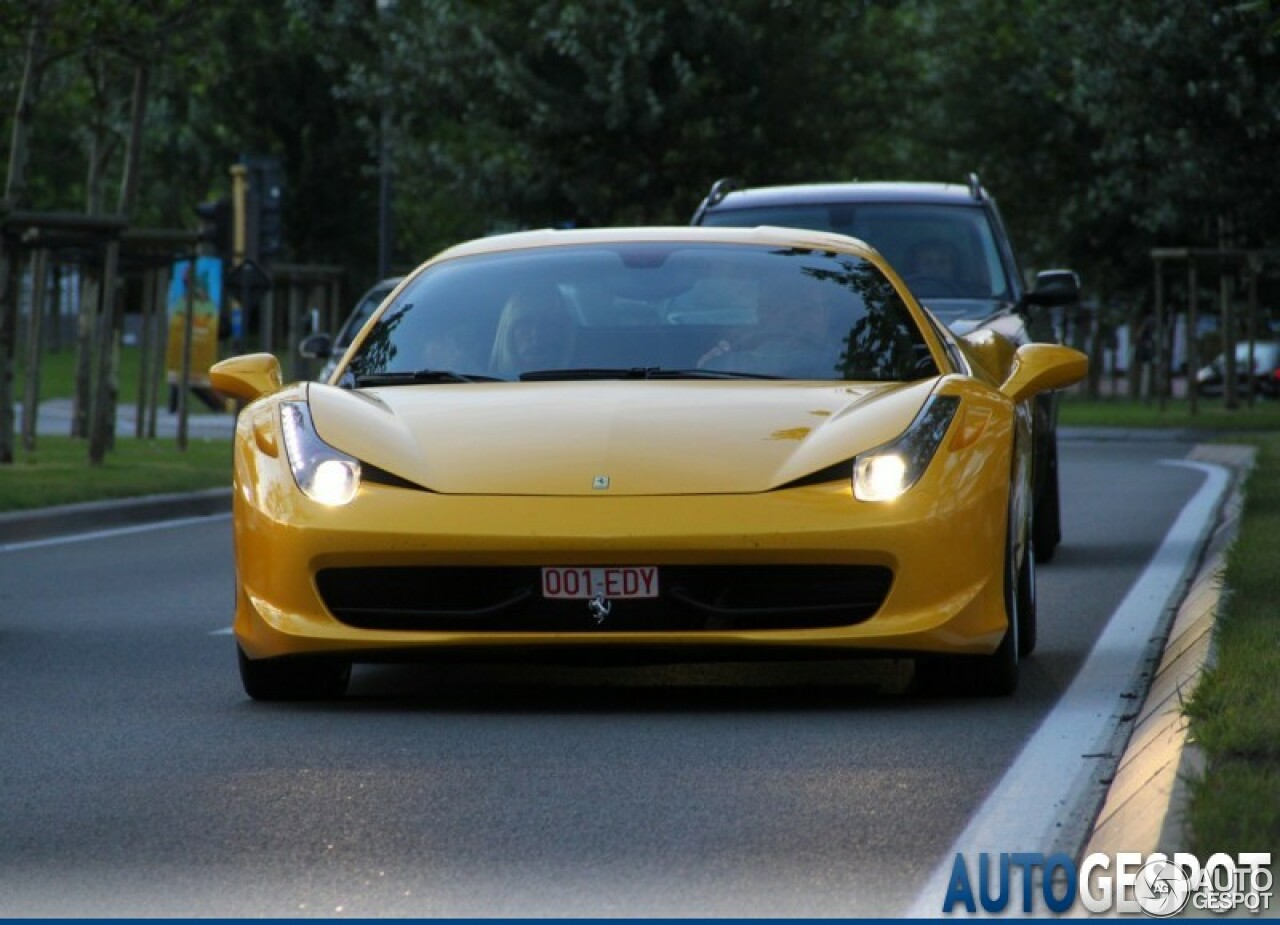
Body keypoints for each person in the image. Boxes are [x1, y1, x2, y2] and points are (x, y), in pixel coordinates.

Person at [698, 279, 837, 377]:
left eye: (810, 309)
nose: (800, 319)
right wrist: (705, 369)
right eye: (792, 312)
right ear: (764, 313)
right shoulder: (732, 362)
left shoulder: (844, 363)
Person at [489, 285, 576, 378]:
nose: (536, 334)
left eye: (547, 324)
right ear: (508, 331)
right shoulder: (479, 383)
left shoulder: (587, 384)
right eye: (525, 323)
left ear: (561, 332)